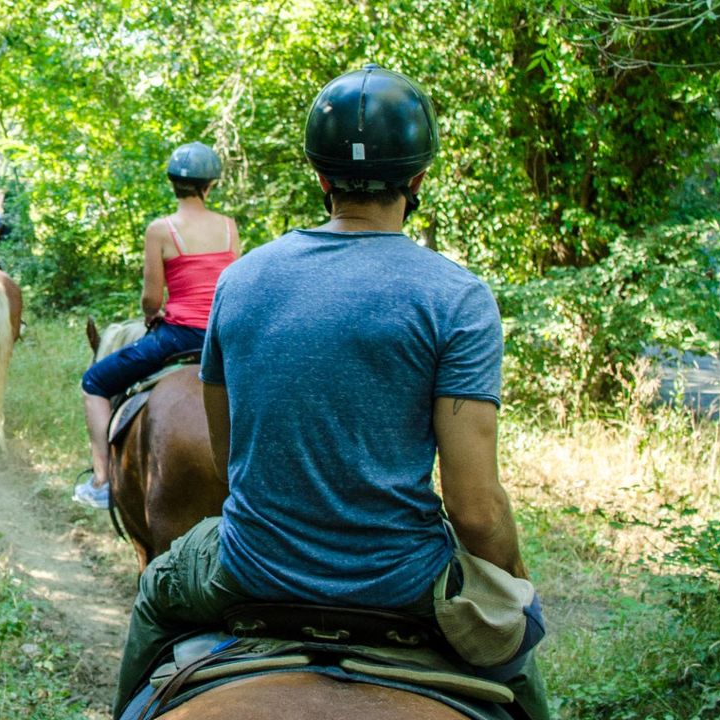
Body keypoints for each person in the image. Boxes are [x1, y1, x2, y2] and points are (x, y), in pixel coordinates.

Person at [111, 65, 550, 720]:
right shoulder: (460, 299)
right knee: (521, 666)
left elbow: (233, 465)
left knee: (155, 592)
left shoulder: (244, 279)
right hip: (407, 584)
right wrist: (512, 581)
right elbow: (476, 508)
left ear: (320, 176)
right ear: (419, 177)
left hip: (248, 569)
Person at [73, 142, 240, 510]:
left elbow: (151, 299)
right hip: (225, 338)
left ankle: (102, 481)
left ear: (172, 184)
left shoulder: (161, 230)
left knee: (94, 384)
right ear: (209, 185)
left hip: (177, 336)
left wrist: (152, 314)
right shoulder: (229, 227)